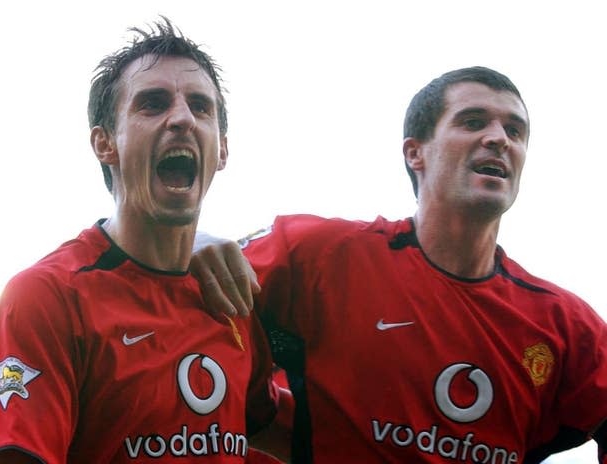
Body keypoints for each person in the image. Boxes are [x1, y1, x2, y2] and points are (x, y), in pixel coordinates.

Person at [190, 66, 607, 463]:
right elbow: (167, 288)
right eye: (473, 122)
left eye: (515, 131)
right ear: (415, 153)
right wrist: (194, 242)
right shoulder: (319, 255)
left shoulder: (565, 326)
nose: (499, 139)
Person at [0, 18, 282, 463]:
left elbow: (288, 432)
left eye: (200, 106)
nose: (181, 119)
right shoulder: (45, 299)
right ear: (104, 143)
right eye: (152, 104)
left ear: (223, 149)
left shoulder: (231, 297)